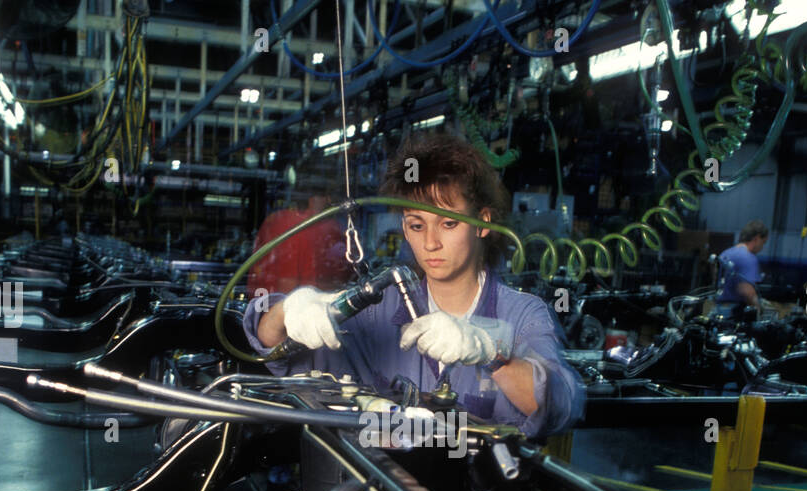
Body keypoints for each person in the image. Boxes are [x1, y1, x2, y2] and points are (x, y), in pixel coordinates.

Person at [244, 131, 585, 440]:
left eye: (448, 224)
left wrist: (491, 352)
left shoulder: (523, 314)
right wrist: (287, 311)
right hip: (391, 484)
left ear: (482, 223)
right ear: (405, 229)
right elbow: (276, 351)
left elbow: (561, 406)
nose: (431, 243)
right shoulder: (380, 309)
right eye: (417, 225)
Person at [246, 193, 350, 296]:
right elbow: (284, 277)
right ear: (312, 199)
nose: (328, 201)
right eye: (324, 196)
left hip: (304, 293)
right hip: (289, 295)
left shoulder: (329, 226)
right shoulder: (286, 222)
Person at [717, 220, 769, 308]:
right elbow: (747, 292)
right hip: (735, 311)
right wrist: (760, 308)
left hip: (719, 308)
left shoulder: (725, 253)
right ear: (756, 239)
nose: (762, 247)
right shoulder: (748, 258)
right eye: (763, 242)